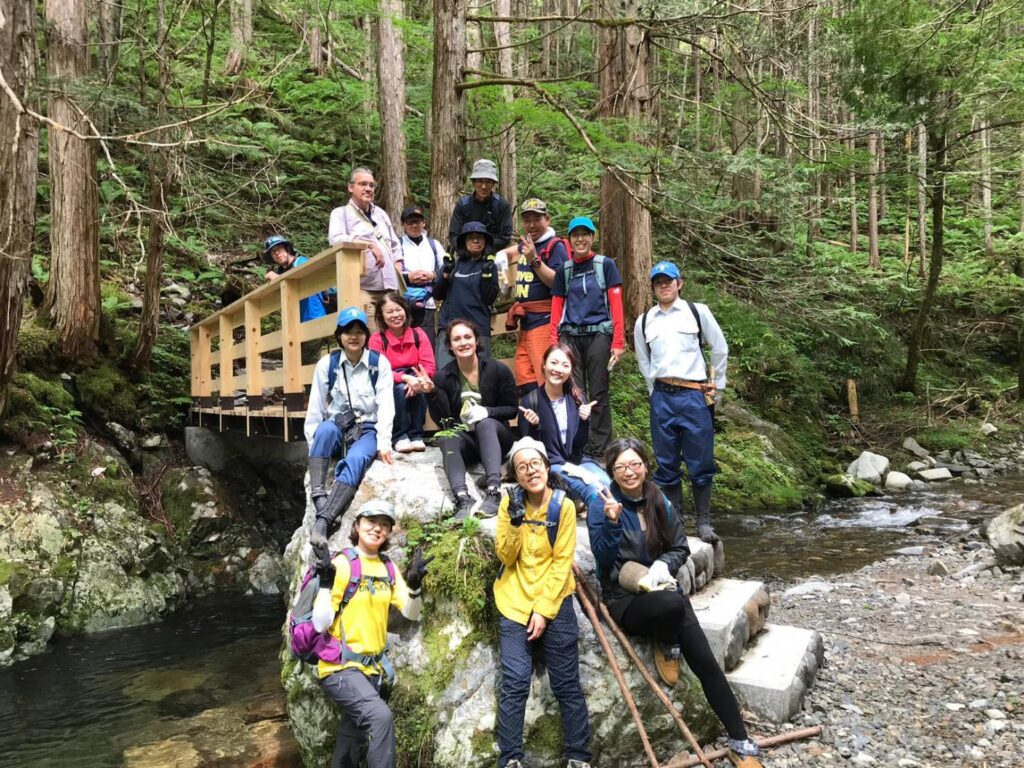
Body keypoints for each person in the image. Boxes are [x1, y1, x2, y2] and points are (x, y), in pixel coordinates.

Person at [587, 438, 763, 768]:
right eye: (621, 467)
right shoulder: (604, 503)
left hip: (663, 588)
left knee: (705, 661)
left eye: (635, 464)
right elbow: (603, 558)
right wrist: (611, 522)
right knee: (673, 606)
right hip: (624, 598)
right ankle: (667, 640)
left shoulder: (659, 500)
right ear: (611, 471)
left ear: (645, 466)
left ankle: (740, 740)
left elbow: (680, 547)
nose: (629, 472)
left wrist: (661, 566)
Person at [494, 436, 592, 768]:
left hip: (554, 600)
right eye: (522, 467)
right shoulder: (510, 504)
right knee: (516, 681)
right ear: (515, 475)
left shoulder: (562, 506)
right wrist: (515, 523)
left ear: (546, 468)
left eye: (535, 464)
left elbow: (562, 562)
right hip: (513, 599)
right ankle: (510, 759)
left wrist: (543, 610)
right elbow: (506, 557)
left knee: (566, 682)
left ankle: (578, 756)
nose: (530, 470)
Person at [311, 500, 432, 768]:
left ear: (388, 532)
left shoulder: (387, 568)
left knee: (351, 742)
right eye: (371, 522)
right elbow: (320, 624)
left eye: (384, 525)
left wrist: (413, 584)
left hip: (372, 672)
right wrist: (326, 583)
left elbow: (412, 613)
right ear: (357, 525)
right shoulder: (342, 564)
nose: (377, 529)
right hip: (339, 668)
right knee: (380, 717)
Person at [633, 261, 728, 544]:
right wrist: (654, 391)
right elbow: (643, 360)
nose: (663, 285)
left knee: (700, 461)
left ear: (679, 283)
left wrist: (717, 389)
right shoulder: (644, 321)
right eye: (658, 281)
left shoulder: (697, 313)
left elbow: (720, 347)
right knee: (666, 463)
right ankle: (675, 522)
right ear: (652, 287)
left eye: (668, 280)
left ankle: (703, 522)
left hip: (694, 396)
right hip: (662, 396)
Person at [305, 306, 396, 559]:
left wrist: (384, 443)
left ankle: (323, 521)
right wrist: (313, 447)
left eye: (358, 331)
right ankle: (318, 495)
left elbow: (386, 406)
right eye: (347, 332)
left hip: (367, 428)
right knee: (323, 431)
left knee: (356, 460)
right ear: (339, 336)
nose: (353, 337)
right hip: (337, 426)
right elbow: (315, 408)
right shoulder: (328, 364)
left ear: (366, 335)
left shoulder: (379, 364)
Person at [420, 320, 517, 518]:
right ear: (450, 346)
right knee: (446, 437)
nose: (463, 343)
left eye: (467, 337)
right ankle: (463, 497)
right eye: (456, 339)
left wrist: (488, 412)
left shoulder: (497, 370)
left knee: (485, 422)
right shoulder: (443, 376)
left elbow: (512, 410)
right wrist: (431, 393)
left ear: (475, 341)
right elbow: (443, 421)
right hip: (468, 441)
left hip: (497, 438)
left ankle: (493, 491)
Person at [548, 216, 625, 460]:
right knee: (574, 391)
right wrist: (554, 343)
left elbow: (616, 306)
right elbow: (556, 308)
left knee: (599, 392)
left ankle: (602, 450)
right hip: (570, 336)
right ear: (569, 240)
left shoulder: (605, 266)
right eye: (575, 235)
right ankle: (577, 444)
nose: (580, 239)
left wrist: (618, 342)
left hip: (599, 336)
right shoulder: (565, 271)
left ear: (592, 237)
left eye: (585, 234)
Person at [516, 344, 610, 508]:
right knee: (594, 490)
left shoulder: (576, 398)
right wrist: (534, 426)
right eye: (554, 363)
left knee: (607, 484)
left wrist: (584, 421)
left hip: (576, 461)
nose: (558, 369)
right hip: (550, 466)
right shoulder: (531, 401)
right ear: (544, 364)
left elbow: (579, 445)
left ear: (571, 370)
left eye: (565, 365)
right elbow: (529, 450)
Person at [499, 199, 570, 393]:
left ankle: (552, 421)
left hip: (545, 322)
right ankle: (533, 420)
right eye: (527, 220)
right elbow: (512, 251)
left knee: (547, 377)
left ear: (547, 219)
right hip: (526, 323)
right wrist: (501, 256)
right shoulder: (528, 244)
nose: (531, 225)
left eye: (536, 219)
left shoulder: (555, 247)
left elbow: (558, 283)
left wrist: (534, 260)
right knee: (525, 378)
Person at [368, 292, 435, 454]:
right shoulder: (377, 339)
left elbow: (429, 365)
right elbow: (377, 371)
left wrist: (418, 379)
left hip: (416, 375)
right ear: (382, 316)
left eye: (398, 310)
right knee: (399, 389)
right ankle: (399, 435)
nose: (395, 315)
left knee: (421, 386)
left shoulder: (419, 334)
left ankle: (416, 434)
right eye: (389, 312)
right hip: (389, 380)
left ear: (405, 310)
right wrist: (404, 378)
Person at [433, 221, 499, 371]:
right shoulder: (453, 264)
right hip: (449, 327)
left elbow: (490, 299)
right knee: (445, 375)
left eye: (479, 238)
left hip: (478, 328)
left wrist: (487, 276)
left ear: (485, 241)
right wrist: (445, 273)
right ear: (464, 242)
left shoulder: (489, 266)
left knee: (480, 377)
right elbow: (437, 294)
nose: (475, 241)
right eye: (471, 237)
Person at [328, 167, 401, 296]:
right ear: (351, 188)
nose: (368, 189)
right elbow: (336, 239)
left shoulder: (381, 214)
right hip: (362, 287)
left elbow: (395, 245)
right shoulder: (340, 213)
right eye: (363, 184)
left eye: (371, 186)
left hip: (390, 288)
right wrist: (369, 245)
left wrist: (398, 267)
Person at [262, 234, 331, 364]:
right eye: (273, 252)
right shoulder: (281, 271)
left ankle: (316, 385)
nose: (277, 253)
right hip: (295, 324)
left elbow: (302, 282)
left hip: (313, 318)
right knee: (297, 363)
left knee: (307, 362)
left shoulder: (302, 262)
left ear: (287, 249)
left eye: (279, 249)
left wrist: (277, 279)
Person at [395, 204, 445, 349]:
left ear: (424, 223)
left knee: (427, 345)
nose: (414, 225)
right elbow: (391, 271)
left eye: (418, 221)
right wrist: (407, 277)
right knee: (404, 345)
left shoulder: (433, 245)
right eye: (410, 222)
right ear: (403, 224)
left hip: (427, 303)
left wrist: (433, 275)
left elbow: (446, 268)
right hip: (403, 303)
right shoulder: (397, 245)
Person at [447, 158, 514, 256]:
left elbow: (505, 237)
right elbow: (453, 234)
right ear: (473, 183)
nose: (484, 186)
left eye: (488, 182)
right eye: (480, 181)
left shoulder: (502, 205)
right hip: (465, 255)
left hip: (492, 256)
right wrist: (467, 250)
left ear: (493, 184)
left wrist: (482, 249)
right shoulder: (463, 204)